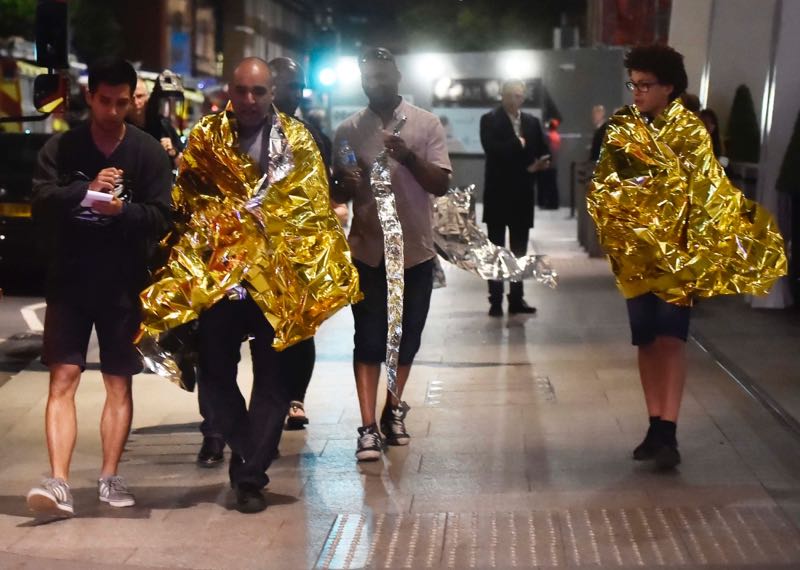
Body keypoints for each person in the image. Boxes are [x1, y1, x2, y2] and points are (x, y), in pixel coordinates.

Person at [141, 57, 359, 512]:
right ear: (229, 91)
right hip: (220, 277)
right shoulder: (205, 136)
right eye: (242, 91)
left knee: (274, 380)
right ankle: (243, 440)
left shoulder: (297, 140)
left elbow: (312, 211)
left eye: (259, 92)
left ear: (272, 92)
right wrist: (223, 225)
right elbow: (187, 204)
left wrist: (275, 225)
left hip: (275, 281)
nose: (250, 100)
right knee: (215, 372)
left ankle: (250, 477)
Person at [588, 45, 785, 470]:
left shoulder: (690, 131)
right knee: (645, 339)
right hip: (637, 256)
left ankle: (668, 430)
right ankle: (654, 422)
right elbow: (605, 183)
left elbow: (704, 193)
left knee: (671, 338)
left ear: (669, 87)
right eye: (634, 84)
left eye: (646, 85)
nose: (637, 93)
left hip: (679, 256)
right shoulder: (624, 127)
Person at [26, 57, 173, 517]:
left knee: (118, 380)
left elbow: (163, 217)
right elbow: (40, 204)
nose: (112, 111)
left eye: (122, 103)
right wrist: (85, 190)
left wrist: (122, 212)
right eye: (104, 101)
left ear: (133, 101)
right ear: (89, 97)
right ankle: (59, 481)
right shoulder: (63, 147)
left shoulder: (147, 151)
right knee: (63, 376)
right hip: (69, 278)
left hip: (123, 284)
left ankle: (110, 477)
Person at [332, 47, 451, 462]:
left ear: (397, 75)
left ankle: (392, 409)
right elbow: (338, 190)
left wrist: (409, 156)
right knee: (367, 339)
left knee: (407, 340)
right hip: (368, 252)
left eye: (383, 76)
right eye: (369, 77)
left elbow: (440, 184)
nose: (376, 83)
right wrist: (342, 184)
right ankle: (366, 427)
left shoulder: (425, 123)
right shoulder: (348, 129)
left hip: (415, 252)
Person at [480, 79, 550, 317]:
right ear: (501, 95)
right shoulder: (489, 120)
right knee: (497, 251)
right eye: (510, 95)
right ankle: (495, 300)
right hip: (498, 194)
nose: (514, 100)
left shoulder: (531, 122)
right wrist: (517, 143)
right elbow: (492, 149)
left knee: (519, 250)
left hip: (522, 195)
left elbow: (542, 149)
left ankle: (517, 299)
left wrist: (542, 163)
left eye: (519, 96)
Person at [144, 70, 185, 169]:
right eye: (165, 101)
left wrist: (173, 152)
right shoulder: (143, 123)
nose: (171, 108)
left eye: (175, 102)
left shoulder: (166, 126)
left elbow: (185, 163)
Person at [537, 118, 561, 209]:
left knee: (548, 185)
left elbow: (547, 150)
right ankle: (555, 203)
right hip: (555, 163)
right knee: (554, 185)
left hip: (549, 164)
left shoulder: (548, 136)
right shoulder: (557, 136)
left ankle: (550, 203)